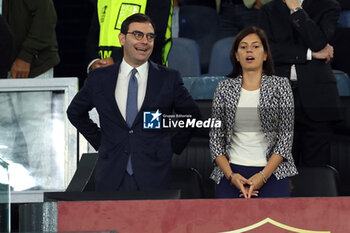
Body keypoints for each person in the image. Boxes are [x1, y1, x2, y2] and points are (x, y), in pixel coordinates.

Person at [67, 14, 200, 191]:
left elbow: (193, 116)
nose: (145, 41)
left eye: (150, 36)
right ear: (122, 39)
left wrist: (171, 147)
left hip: (154, 177)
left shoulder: (168, 78)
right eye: (138, 35)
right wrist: (101, 142)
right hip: (111, 177)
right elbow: (75, 112)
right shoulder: (99, 78)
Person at [209, 26, 297, 199]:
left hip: (273, 172)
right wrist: (231, 176)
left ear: (265, 55)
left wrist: (263, 176)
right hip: (231, 172)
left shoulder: (281, 86)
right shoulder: (224, 88)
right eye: (243, 46)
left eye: (256, 46)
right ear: (236, 56)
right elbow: (215, 139)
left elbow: (285, 139)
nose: (249, 50)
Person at [259, 0, 342, 166]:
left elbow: (318, 41)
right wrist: (309, 54)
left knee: (317, 169)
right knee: (280, 170)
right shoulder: (268, 9)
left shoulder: (328, 5)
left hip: (317, 97)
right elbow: (266, 50)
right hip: (279, 98)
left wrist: (296, 9)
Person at [86, 0, 173, 71]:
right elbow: (93, 34)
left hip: (144, 75)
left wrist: (116, 61)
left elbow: (153, 38)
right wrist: (94, 61)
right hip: (105, 75)